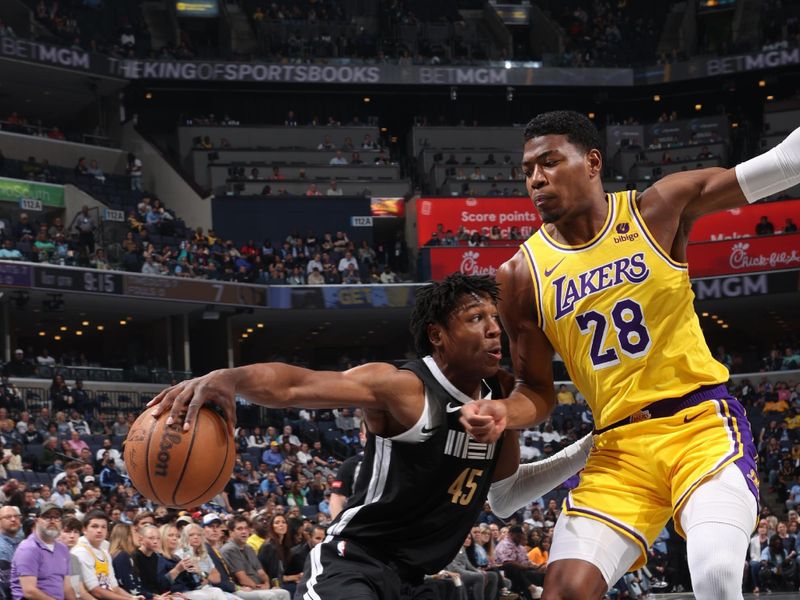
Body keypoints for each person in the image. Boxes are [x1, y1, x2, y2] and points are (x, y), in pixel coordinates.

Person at [460, 111, 800, 599]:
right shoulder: (519, 275)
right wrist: (502, 413)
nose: (536, 178)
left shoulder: (656, 209)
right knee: (564, 593)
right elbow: (536, 391)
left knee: (717, 574)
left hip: (699, 427)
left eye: (550, 162)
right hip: (618, 451)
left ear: (592, 162)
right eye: (528, 170)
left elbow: (785, 163)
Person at [150, 274, 593, 599]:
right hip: (353, 564)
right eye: (476, 318)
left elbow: (505, 496)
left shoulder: (499, 396)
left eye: (494, 318)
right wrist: (230, 377)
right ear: (438, 335)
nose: (493, 328)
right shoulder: (404, 387)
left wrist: (590, 447)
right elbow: (295, 385)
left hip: (412, 580)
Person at [9, 503, 73, 600]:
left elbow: (67, 588)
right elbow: (29, 591)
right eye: (47, 517)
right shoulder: (28, 548)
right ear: (37, 521)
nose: (52, 521)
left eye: (57, 517)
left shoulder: (63, 549)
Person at [71, 510, 138, 600]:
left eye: (103, 527)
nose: (99, 530)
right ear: (84, 530)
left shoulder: (105, 552)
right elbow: (95, 591)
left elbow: (114, 587)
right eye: (95, 526)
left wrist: (133, 597)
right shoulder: (80, 552)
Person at [220, 516, 289, 600]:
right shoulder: (229, 549)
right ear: (231, 533)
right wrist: (259, 587)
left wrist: (267, 584)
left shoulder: (248, 548)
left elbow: (261, 572)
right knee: (269, 596)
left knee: (284, 593)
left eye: (246, 528)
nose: (244, 532)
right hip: (243, 589)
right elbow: (242, 578)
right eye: (239, 529)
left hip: (257, 586)